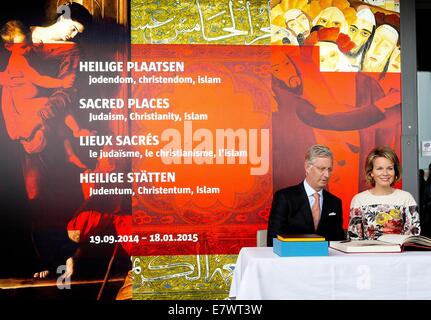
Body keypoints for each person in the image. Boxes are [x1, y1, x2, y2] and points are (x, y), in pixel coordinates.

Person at [0, 2, 93, 279]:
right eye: (73, 28)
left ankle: (50, 258)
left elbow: (69, 89)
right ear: (62, 16)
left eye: (78, 32)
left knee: (40, 196)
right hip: (10, 124)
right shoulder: (19, 36)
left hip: (43, 131)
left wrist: (42, 114)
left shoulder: (71, 51)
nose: (73, 35)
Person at [0, 20, 91, 167]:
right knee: (51, 112)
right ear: (9, 47)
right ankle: (75, 134)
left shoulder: (35, 49)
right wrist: (61, 83)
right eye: (24, 46)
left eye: (29, 42)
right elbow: (38, 79)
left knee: (57, 112)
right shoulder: (18, 60)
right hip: (25, 105)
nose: (29, 48)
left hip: (38, 101)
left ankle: (72, 145)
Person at [267, 144, 345, 246]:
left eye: (329, 169)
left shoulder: (335, 202)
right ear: (307, 167)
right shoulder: (284, 198)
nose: (327, 175)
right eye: (321, 169)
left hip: (325, 260)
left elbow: (338, 242)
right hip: (292, 259)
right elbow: (274, 241)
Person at [348, 146, 420, 240]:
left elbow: (412, 237)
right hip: (368, 254)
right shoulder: (359, 200)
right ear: (371, 173)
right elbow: (354, 239)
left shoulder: (406, 198)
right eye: (379, 168)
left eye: (390, 168)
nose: (385, 173)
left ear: (395, 172)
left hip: (400, 254)